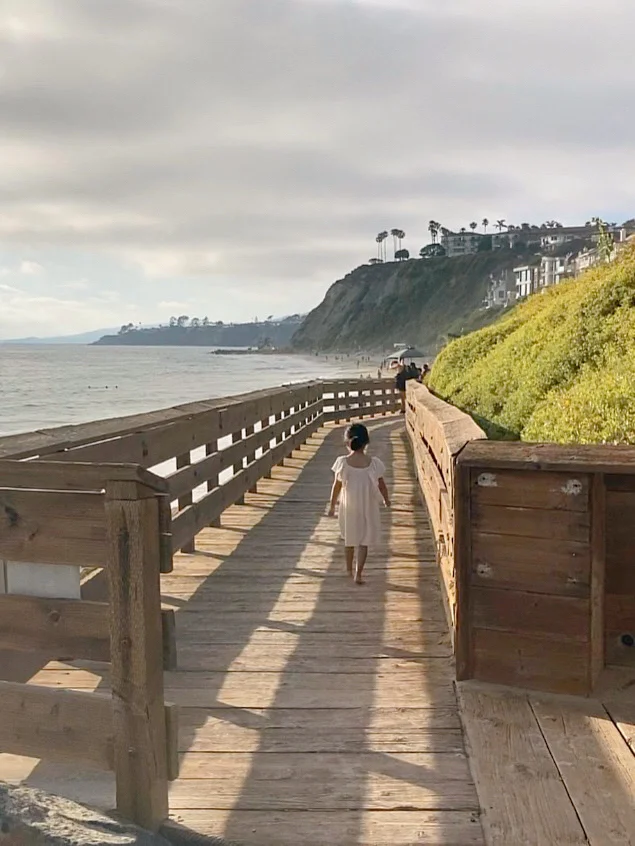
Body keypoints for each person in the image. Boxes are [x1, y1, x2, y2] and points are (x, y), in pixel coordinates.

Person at [328, 423, 391, 584]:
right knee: (364, 541)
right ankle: (358, 573)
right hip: (367, 506)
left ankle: (348, 569)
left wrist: (332, 505)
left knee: (349, 538)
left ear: (347, 442)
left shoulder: (342, 462)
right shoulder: (374, 463)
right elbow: (382, 485)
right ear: (366, 442)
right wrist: (386, 499)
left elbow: (337, 486)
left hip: (349, 506)